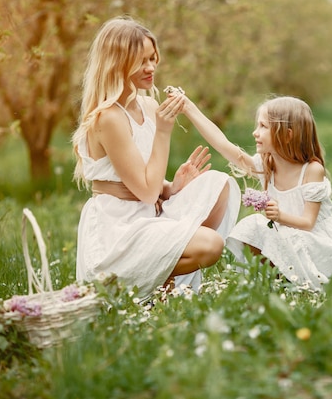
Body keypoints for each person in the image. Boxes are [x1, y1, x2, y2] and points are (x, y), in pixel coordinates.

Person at [71, 16, 240, 300]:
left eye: (153, 58)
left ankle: (159, 277)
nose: (151, 68)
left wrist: (170, 187)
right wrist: (163, 132)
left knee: (219, 184)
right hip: (119, 228)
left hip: (146, 212)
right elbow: (146, 191)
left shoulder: (148, 105)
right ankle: (155, 285)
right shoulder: (108, 118)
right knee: (211, 245)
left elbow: (143, 179)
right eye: (141, 61)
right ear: (117, 64)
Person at [177, 94, 332, 290]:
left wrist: (280, 216)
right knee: (253, 225)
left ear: (287, 134)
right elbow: (223, 144)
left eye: (263, 126)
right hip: (285, 233)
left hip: (312, 241)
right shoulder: (267, 165)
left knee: (274, 231)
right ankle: (271, 279)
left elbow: (308, 224)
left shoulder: (311, 170)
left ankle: (293, 279)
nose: (255, 133)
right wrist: (189, 108)